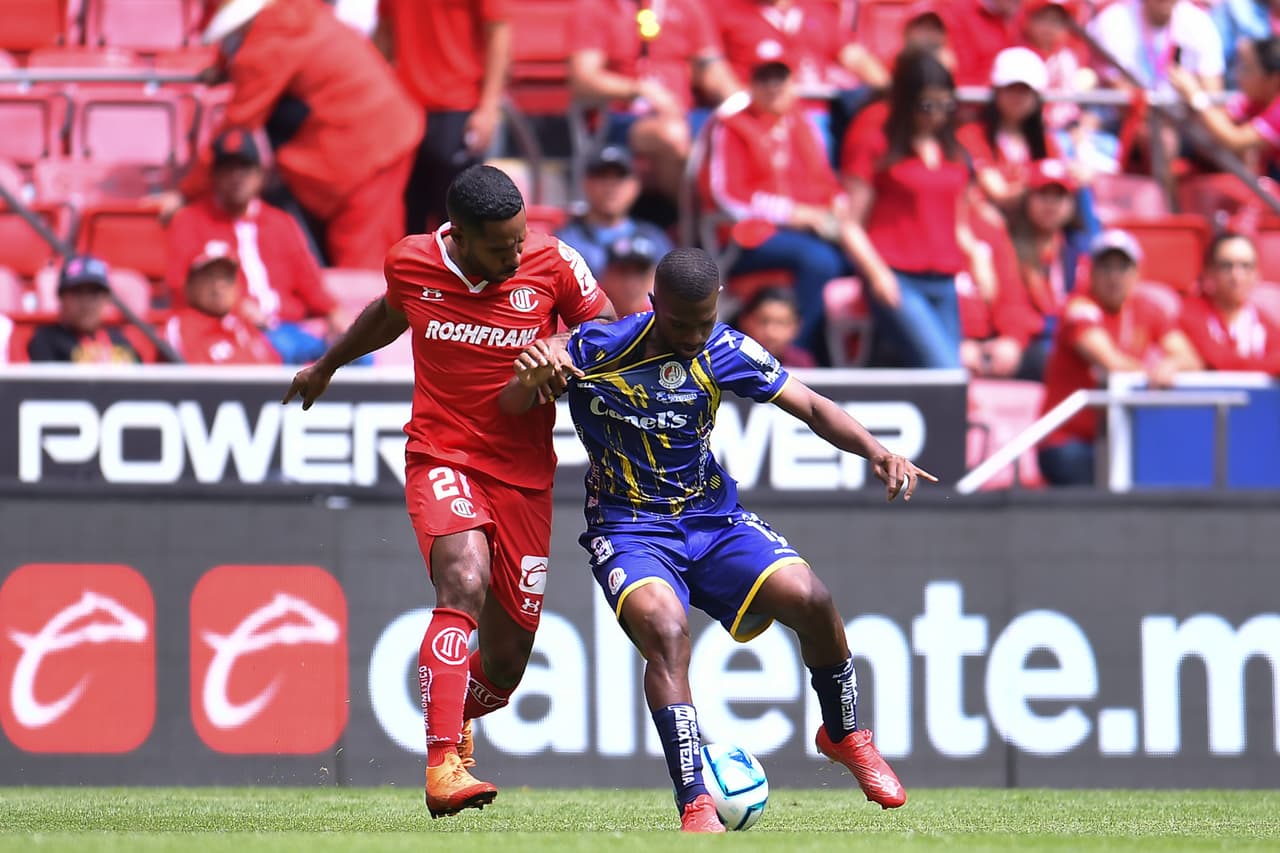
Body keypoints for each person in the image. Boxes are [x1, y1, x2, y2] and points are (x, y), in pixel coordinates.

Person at [499, 248, 932, 832]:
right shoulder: (597, 349)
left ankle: (845, 734)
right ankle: (696, 801)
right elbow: (516, 400)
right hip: (630, 529)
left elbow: (808, 404)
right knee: (666, 631)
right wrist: (531, 376)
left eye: (705, 320)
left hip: (712, 519)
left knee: (811, 598)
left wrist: (877, 451)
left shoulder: (724, 348)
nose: (695, 335)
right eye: (682, 324)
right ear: (654, 308)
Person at [281, 165, 615, 818]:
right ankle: (440, 766)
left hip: (525, 475)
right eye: (500, 247)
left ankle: (457, 714)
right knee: (462, 577)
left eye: (520, 242)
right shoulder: (411, 262)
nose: (515, 256)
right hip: (442, 455)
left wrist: (561, 343)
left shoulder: (554, 261)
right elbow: (389, 312)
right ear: (458, 236)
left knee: (510, 662)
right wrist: (328, 364)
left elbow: (606, 325)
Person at [169, 0, 423, 269]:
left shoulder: (269, 40)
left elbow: (237, 124)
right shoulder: (292, 14)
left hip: (365, 154)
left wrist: (184, 194)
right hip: (377, 140)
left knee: (362, 265)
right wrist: (226, 67)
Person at [704, 57, 856, 363]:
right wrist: (793, 214)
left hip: (804, 233)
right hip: (748, 236)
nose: (773, 87)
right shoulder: (733, 125)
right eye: (764, 80)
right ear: (752, 85)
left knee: (854, 261)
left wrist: (839, 202)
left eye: (780, 79)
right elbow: (727, 196)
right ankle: (792, 354)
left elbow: (825, 180)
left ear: (792, 84)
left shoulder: (802, 123)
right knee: (820, 261)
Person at [840, 48, 975, 369]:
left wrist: (980, 258)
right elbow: (850, 223)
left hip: (944, 277)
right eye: (927, 104)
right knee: (945, 369)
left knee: (953, 376)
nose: (937, 114)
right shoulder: (878, 144)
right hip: (898, 275)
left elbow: (960, 223)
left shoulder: (953, 150)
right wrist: (877, 274)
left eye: (946, 104)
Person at [1037, 229, 1201, 485]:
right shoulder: (1079, 308)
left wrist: (1171, 365)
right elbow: (1110, 362)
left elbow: (1191, 359)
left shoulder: (1147, 309)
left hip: (1117, 438)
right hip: (1069, 440)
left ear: (1136, 273)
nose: (1114, 276)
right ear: (1091, 273)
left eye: (1122, 267)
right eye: (1105, 267)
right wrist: (1153, 372)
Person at [166, 128, 342, 363]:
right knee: (283, 349)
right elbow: (181, 285)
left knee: (360, 354)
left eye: (245, 169)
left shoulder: (281, 222)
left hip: (289, 327)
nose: (237, 177)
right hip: (234, 328)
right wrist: (237, 307)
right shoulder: (189, 220)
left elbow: (309, 282)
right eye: (229, 170)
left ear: (260, 175)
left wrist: (332, 311)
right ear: (214, 176)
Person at [568, 0, 739, 206]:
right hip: (621, 118)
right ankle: (694, 223)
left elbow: (711, 66)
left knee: (736, 133)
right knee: (671, 135)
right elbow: (583, 79)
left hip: (684, 113)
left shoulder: (688, 6)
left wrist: (742, 106)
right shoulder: (597, 7)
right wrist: (639, 90)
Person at [376, 0, 512, 234]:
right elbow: (384, 34)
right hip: (407, 112)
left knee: (458, 224)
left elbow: (499, 32)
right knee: (410, 225)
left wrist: (488, 108)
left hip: (457, 109)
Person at [1169, 36, 1280, 180]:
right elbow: (1219, 120)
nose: (1239, 76)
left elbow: (1234, 139)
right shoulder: (1253, 100)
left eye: (1248, 69)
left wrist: (1195, 96)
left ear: (1274, 80)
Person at [556, 146, 673, 281]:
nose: (611, 186)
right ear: (586, 183)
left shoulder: (655, 238)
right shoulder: (565, 242)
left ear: (636, 185)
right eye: (602, 176)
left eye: (620, 176)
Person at [1180, 231, 1280, 374]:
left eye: (1246, 266)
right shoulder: (1192, 312)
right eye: (1227, 266)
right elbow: (1221, 361)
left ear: (1257, 274)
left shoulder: (1260, 318)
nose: (1236, 276)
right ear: (1209, 271)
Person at [164, 246, 282, 365]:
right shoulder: (180, 326)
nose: (219, 286)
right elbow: (193, 379)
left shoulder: (244, 326)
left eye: (227, 277)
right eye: (209, 277)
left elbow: (274, 371)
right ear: (190, 286)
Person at [28, 255, 140, 364]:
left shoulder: (120, 341)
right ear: (60, 297)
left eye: (94, 293)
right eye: (77, 292)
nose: (86, 302)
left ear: (107, 299)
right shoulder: (46, 340)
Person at [731, 285, 816, 367]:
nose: (770, 333)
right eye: (763, 321)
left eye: (781, 323)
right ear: (744, 321)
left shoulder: (801, 363)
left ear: (796, 326)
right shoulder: (730, 360)